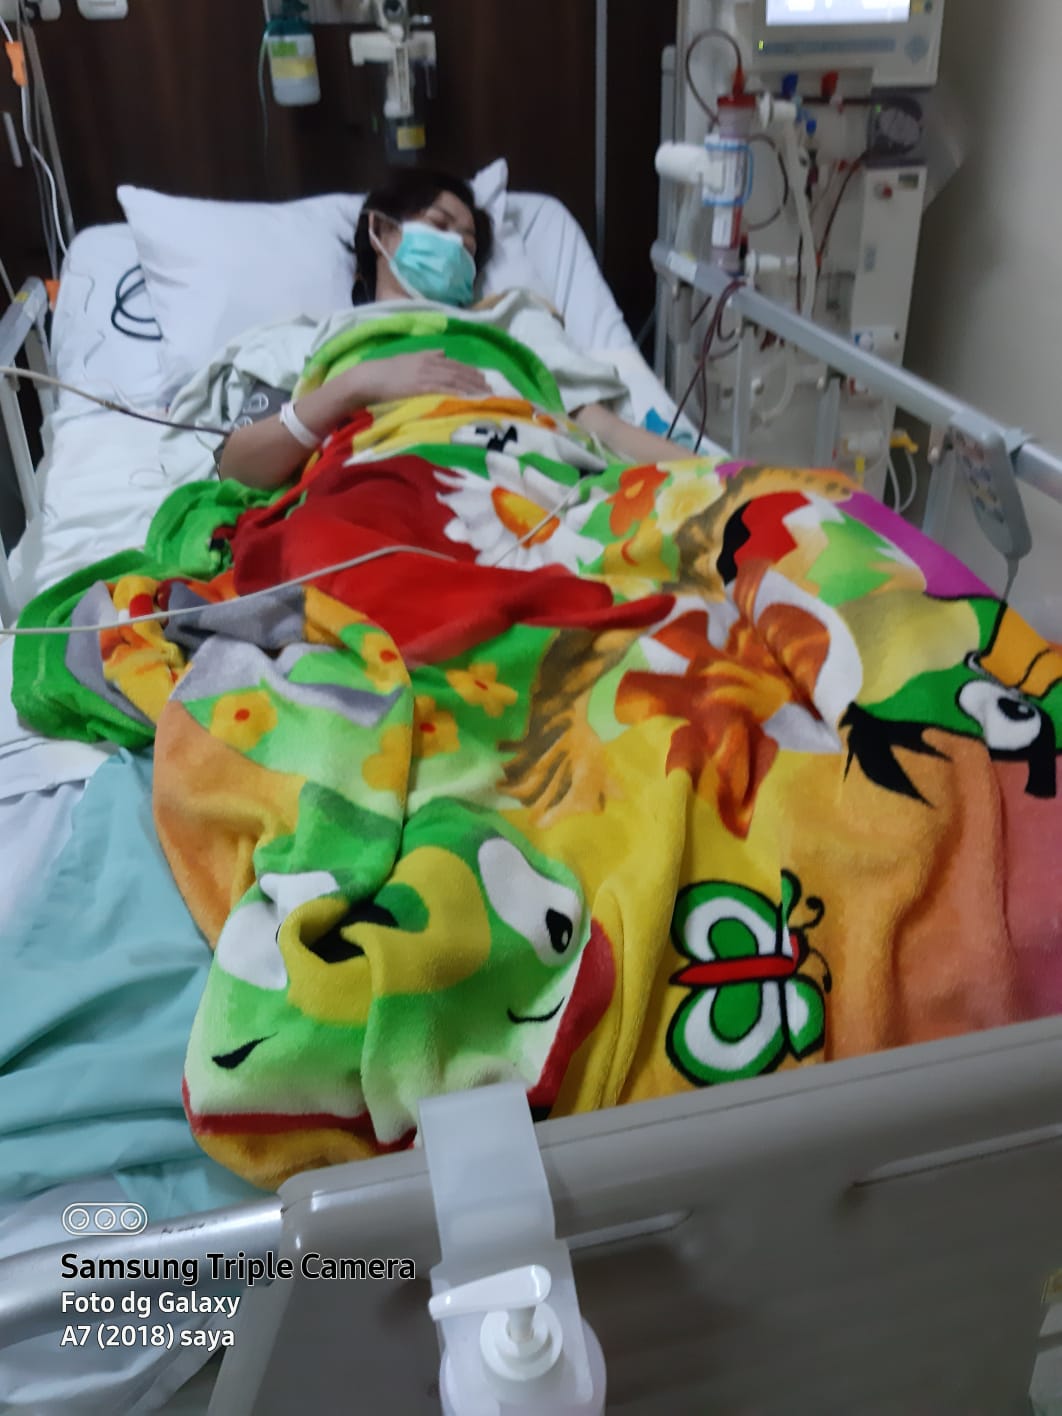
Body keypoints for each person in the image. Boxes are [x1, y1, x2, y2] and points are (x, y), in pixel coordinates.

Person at [219, 167, 689, 489]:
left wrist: (718, 474)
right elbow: (238, 468)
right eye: (440, 225)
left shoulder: (511, 321)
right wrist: (359, 384)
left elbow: (600, 429)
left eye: (469, 245)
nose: (458, 250)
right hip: (375, 485)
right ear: (381, 231)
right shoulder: (306, 340)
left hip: (528, 484)